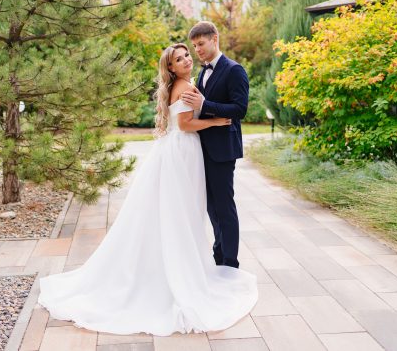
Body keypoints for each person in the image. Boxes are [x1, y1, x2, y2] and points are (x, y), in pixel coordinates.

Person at [37, 43, 257, 336]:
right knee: (180, 212)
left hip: (185, 152)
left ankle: (187, 264)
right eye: (180, 59)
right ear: (171, 68)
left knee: (185, 212)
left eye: (187, 55)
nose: (187, 59)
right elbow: (186, 124)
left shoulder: (186, 82)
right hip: (182, 152)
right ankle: (174, 272)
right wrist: (217, 120)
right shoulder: (181, 86)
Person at [181, 21, 249, 269]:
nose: (197, 50)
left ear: (214, 39)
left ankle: (231, 262)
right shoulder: (202, 72)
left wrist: (205, 105)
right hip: (203, 149)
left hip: (222, 151)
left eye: (201, 44)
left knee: (224, 207)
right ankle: (218, 254)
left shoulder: (234, 70)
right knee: (211, 207)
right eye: (194, 46)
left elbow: (240, 109)